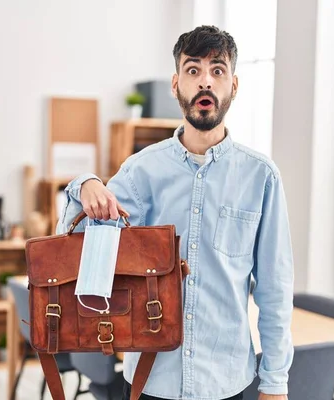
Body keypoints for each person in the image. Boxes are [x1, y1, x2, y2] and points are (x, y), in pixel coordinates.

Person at [57, 25, 294, 400]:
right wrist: (83, 184)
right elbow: (75, 243)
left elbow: (275, 290)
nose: (205, 82)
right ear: (175, 84)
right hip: (151, 382)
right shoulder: (140, 171)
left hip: (228, 383)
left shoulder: (261, 177)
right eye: (193, 70)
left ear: (234, 85)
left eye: (218, 71)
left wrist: (275, 383)